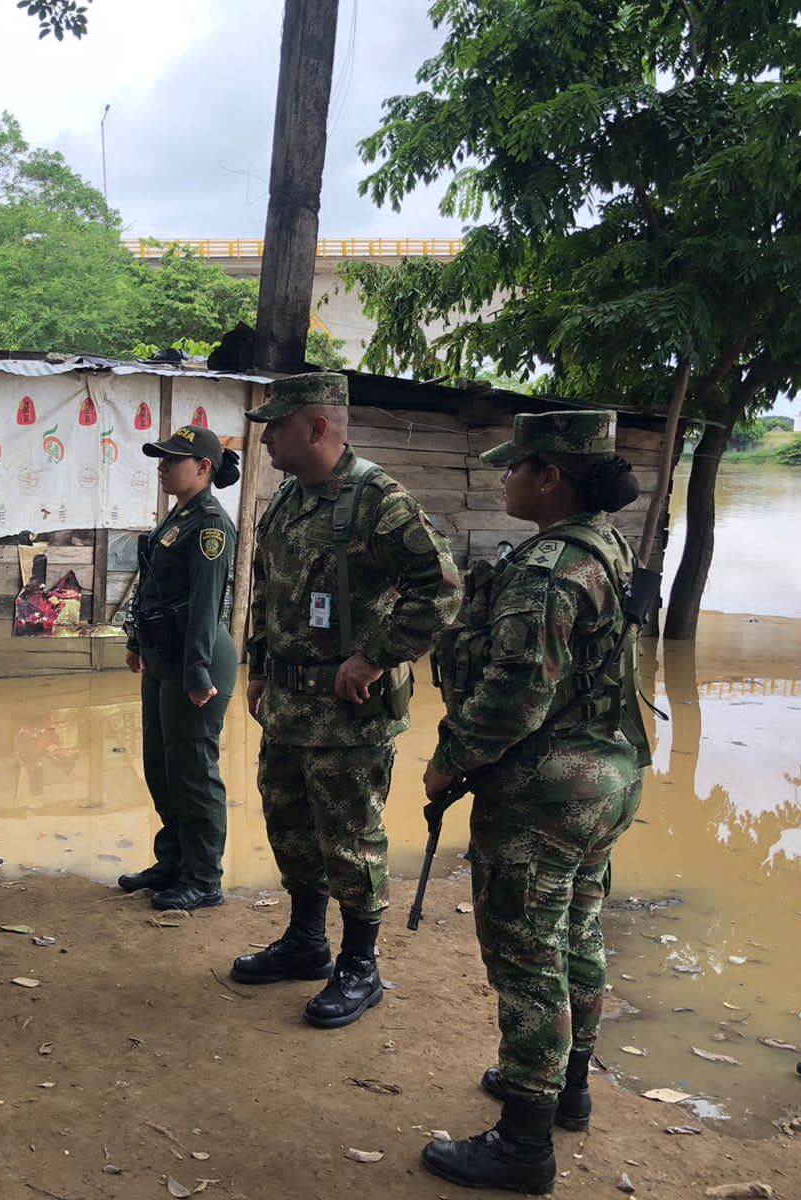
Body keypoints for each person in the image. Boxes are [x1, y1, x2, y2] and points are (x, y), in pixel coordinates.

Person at [419, 410, 650, 1195]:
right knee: (578, 931)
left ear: (550, 474)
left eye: (515, 466)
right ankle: (569, 1090)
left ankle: (523, 1144)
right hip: (608, 775)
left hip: (548, 789)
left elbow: (514, 697)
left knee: (526, 957)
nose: (504, 477)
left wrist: (448, 763)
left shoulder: (551, 568)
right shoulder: (609, 546)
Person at [233, 372, 461, 1028]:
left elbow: (442, 590)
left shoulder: (377, 501)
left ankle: (360, 967)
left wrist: (374, 656)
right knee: (292, 829)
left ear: (318, 427)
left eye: (277, 424)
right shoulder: (287, 499)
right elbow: (265, 589)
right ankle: (306, 941)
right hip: (287, 705)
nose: (267, 435)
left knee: (352, 839)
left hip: (349, 713)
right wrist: (256, 669)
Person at [118, 425, 241, 912]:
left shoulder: (210, 524)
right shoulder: (178, 515)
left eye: (173, 459)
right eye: (162, 458)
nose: (163, 466)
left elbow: (205, 606)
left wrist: (197, 674)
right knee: (161, 769)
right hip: (163, 657)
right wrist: (136, 641)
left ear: (204, 468)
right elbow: (152, 588)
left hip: (200, 660)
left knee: (194, 773)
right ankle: (173, 862)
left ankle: (204, 877)